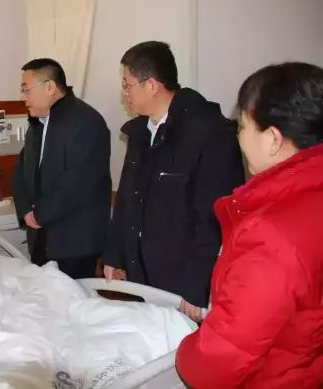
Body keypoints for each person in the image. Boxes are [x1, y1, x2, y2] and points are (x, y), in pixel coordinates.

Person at [176, 62, 323, 387]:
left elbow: (216, 363)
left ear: (273, 139)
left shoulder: (272, 233)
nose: (239, 137)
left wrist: (182, 351)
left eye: (242, 126)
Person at [103, 41, 244, 321]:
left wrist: (198, 286)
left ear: (152, 85)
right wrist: (115, 255)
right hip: (143, 272)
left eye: (127, 85)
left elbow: (213, 219)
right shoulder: (140, 132)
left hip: (183, 280)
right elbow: (127, 201)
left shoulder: (208, 134)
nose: (124, 93)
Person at [13, 58, 111, 279]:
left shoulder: (87, 123)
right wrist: (25, 209)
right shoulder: (37, 123)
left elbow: (78, 183)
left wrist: (39, 215)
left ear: (49, 86)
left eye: (26, 89)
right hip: (40, 236)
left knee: (72, 298)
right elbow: (22, 169)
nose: (23, 97)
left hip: (74, 242)